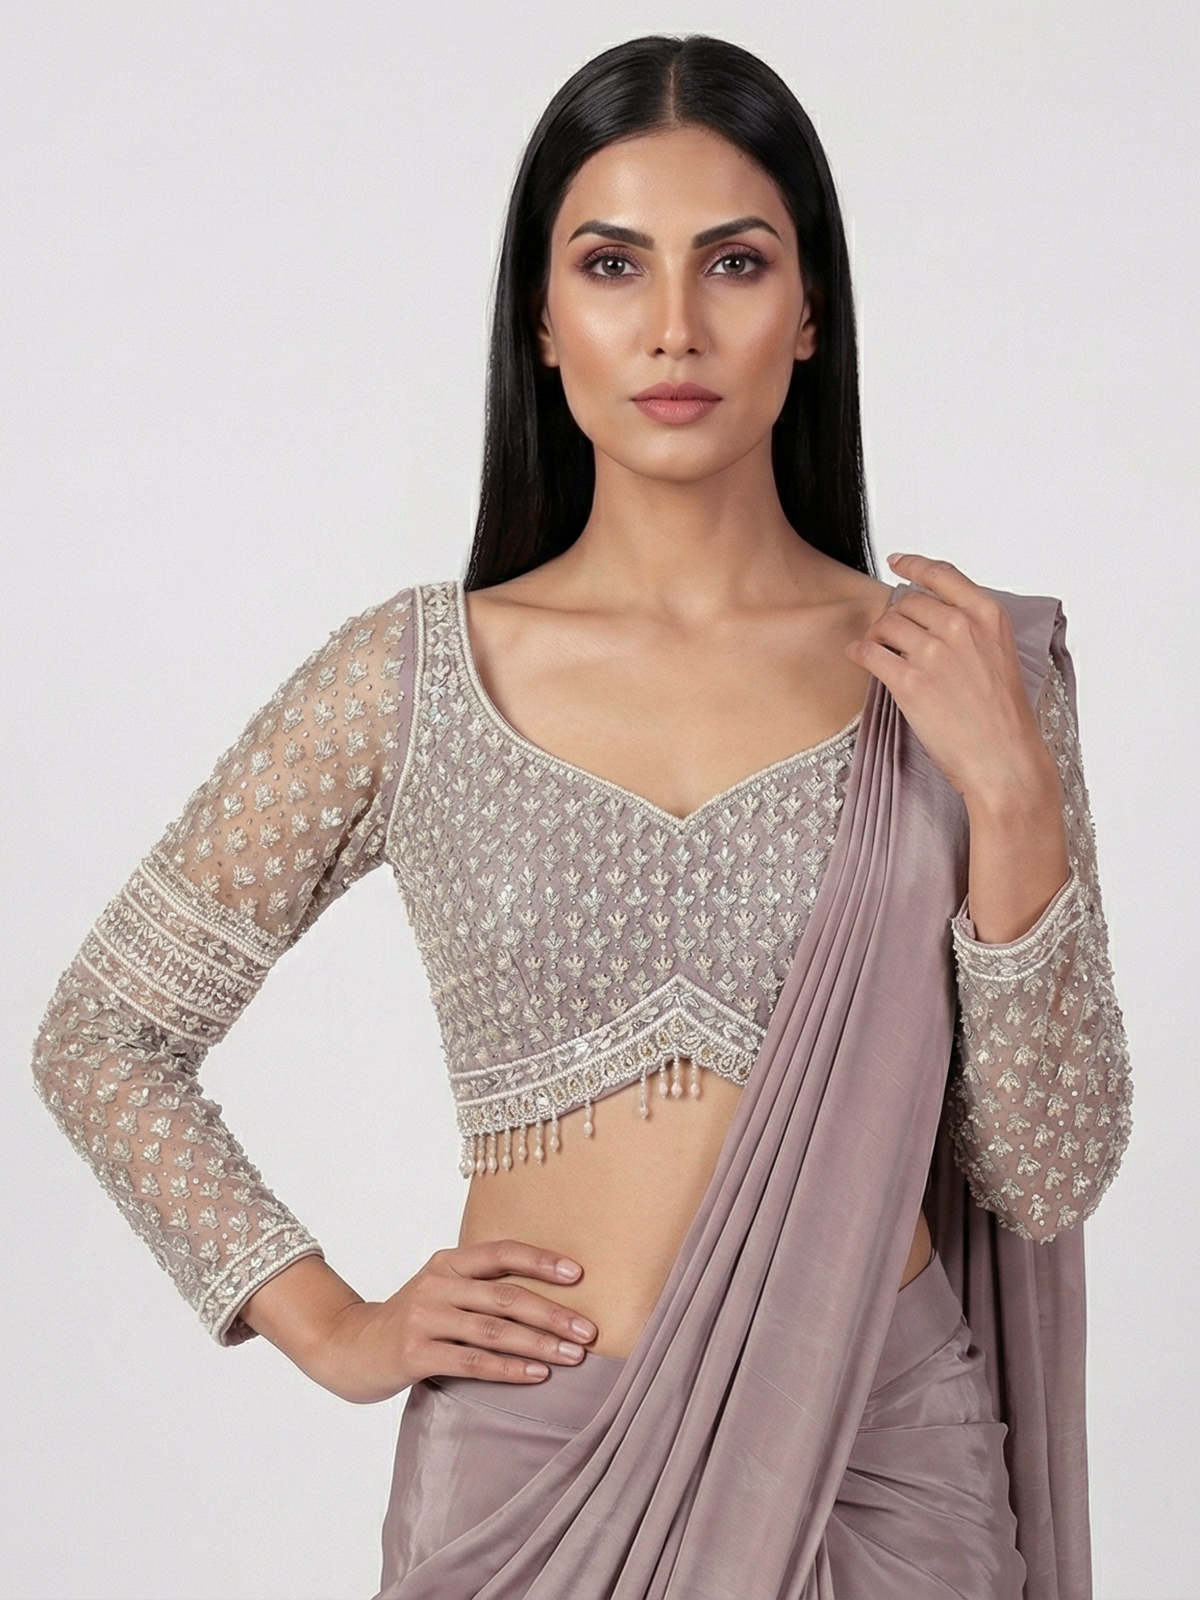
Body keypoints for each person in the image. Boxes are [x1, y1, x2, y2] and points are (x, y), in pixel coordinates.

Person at [31, 34, 1131, 1600]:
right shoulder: (412, 680)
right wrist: (329, 1323)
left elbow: (1047, 1174)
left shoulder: (959, 673)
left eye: (734, 263)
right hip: (527, 1481)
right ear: (543, 320)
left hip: (874, 1471)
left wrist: (1009, 793)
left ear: (810, 311)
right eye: (614, 265)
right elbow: (103, 1034)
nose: (675, 325)